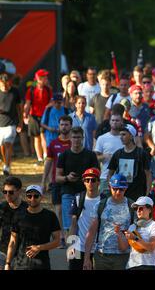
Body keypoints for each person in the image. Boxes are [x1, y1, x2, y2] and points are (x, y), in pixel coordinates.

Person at [55, 126, 99, 244]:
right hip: (68, 191)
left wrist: (86, 177)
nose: (76, 140)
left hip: (85, 193)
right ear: (70, 138)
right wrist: (67, 177)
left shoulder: (90, 155)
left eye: (78, 137)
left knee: (85, 224)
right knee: (70, 225)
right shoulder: (64, 155)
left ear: (83, 138)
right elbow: (57, 177)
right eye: (74, 137)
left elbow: (96, 174)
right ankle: (73, 254)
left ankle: (83, 251)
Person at [83, 174, 134, 270]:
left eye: (121, 189)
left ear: (126, 189)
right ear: (110, 187)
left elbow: (137, 233)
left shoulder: (132, 206)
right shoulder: (100, 205)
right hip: (101, 256)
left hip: (123, 257)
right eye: (115, 189)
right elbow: (91, 233)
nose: (118, 192)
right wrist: (86, 258)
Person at [5, 185, 61, 270]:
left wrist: (39, 247)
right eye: (29, 196)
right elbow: (13, 242)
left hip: (42, 265)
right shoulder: (18, 215)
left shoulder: (50, 216)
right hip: (20, 265)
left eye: (36, 196)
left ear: (41, 197)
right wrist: (7, 263)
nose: (32, 199)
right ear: (26, 197)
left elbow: (57, 241)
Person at [41, 115, 72, 247]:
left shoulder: (74, 142)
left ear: (71, 126)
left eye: (66, 124)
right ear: (59, 126)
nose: (64, 127)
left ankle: (70, 237)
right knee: (58, 210)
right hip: (56, 182)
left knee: (70, 212)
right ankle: (62, 238)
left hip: (71, 183)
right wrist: (43, 181)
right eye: (62, 124)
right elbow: (48, 162)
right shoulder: (53, 143)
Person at [67, 168, 101, 270]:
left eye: (93, 180)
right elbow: (73, 224)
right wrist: (70, 246)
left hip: (97, 250)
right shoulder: (78, 198)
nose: (90, 182)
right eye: (87, 180)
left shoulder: (104, 200)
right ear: (83, 182)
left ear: (98, 182)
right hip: (78, 247)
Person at [108, 125, 151, 201]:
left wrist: (148, 192)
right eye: (120, 135)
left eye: (124, 134)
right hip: (121, 193)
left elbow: (148, 174)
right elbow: (110, 173)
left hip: (138, 194)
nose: (121, 137)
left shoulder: (141, 153)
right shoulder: (117, 154)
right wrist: (112, 188)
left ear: (131, 136)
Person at [121, 196, 155, 270]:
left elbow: (151, 247)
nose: (138, 211)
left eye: (141, 208)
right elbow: (123, 248)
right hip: (132, 266)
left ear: (150, 209)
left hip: (149, 265)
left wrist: (135, 238)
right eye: (136, 209)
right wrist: (118, 233)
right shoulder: (132, 227)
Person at [24, 69, 53, 165]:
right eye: (44, 77)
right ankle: (39, 158)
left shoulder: (48, 89)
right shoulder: (31, 90)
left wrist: (48, 107)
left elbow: (51, 102)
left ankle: (46, 155)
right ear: (39, 79)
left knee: (43, 135)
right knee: (36, 137)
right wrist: (25, 115)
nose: (46, 79)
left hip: (45, 116)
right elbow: (28, 104)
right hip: (34, 116)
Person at [0, 177, 28, 270]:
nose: (7, 195)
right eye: (5, 192)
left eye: (11, 192)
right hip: (3, 251)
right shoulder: (1, 208)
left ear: (19, 191)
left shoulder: (28, 209)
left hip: (22, 254)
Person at [94, 113, 124, 196]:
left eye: (117, 120)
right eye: (113, 120)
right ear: (109, 122)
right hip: (105, 177)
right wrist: (104, 156)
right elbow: (94, 158)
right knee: (104, 204)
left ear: (122, 122)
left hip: (123, 178)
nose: (114, 122)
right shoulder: (102, 138)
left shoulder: (125, 138)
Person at [0, 73, 22, 175]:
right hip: (0, 123)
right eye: (3, 84)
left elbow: (19, 108)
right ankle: (6, 163)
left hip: (11, 123)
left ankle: (7, 167)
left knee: (8, 144)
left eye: (7, 83)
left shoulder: (15, 91)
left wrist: (20, 122)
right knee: (2, 146)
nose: (5, 86)